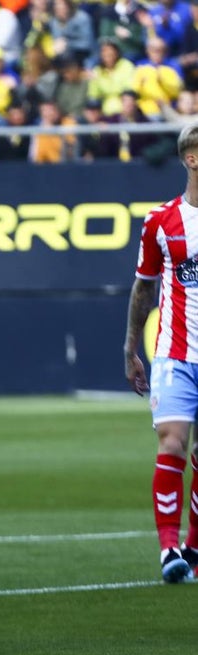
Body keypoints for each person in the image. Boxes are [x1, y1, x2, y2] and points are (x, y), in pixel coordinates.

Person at [123, 123, 198, 584]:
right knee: (172, 441)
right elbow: (143, 286)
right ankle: (169, 548)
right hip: (174, 352)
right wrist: (131, 345)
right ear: (192, 158)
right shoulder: (161, 220)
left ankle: (193, 546)